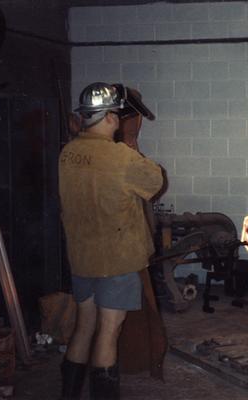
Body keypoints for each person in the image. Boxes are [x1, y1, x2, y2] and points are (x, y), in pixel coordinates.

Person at [58, 82, 164, 399]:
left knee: (84, 326)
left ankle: (69, 395)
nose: (118, 118)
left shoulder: (68, 153)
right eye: (116, 114)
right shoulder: (121, 157)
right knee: (108, 332)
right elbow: (155, 181)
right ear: (107, 117)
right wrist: (130, 143)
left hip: (81, 258)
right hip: (116, 261)